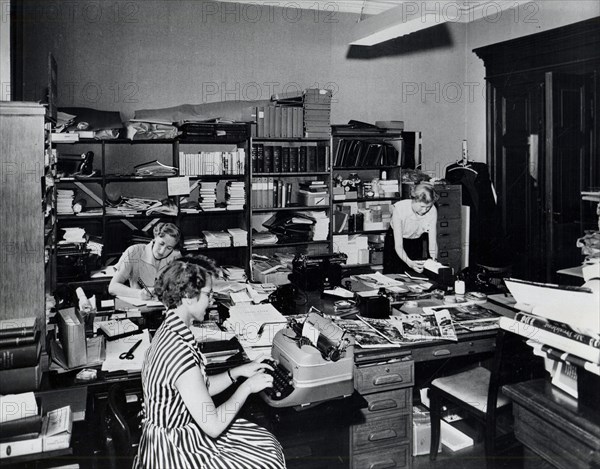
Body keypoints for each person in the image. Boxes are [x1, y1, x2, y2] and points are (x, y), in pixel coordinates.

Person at [133, 255, 286, 469]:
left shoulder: (169, 329)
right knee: (266, 458)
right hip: (173, 451)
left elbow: (198, 388)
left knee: (266, 442)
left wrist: (238, 372)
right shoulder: (178, 351)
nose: (212, 300)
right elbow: (213, 425)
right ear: (187, 296)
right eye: (208, 294)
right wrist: (248, 387)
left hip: (173, 434)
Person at [108, 222, 181, 300]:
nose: (162, 251)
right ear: (155, 237)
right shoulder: (133, 252)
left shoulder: (175, 257)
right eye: (161, 244)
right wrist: (139, 293)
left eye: (169, 248)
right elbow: (113, 287)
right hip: (139, 307)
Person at [383, 183, 439, 274]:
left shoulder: (432, 211)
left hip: (415, 241)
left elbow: (432, 242)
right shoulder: (400, 209)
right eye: (422, 206)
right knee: (393, 275)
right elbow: (399, 246)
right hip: (395, 242)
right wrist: (409, 263)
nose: (425, 210)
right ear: (414, 200)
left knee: (415, 276)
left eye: (428, 207)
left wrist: (434, 260)